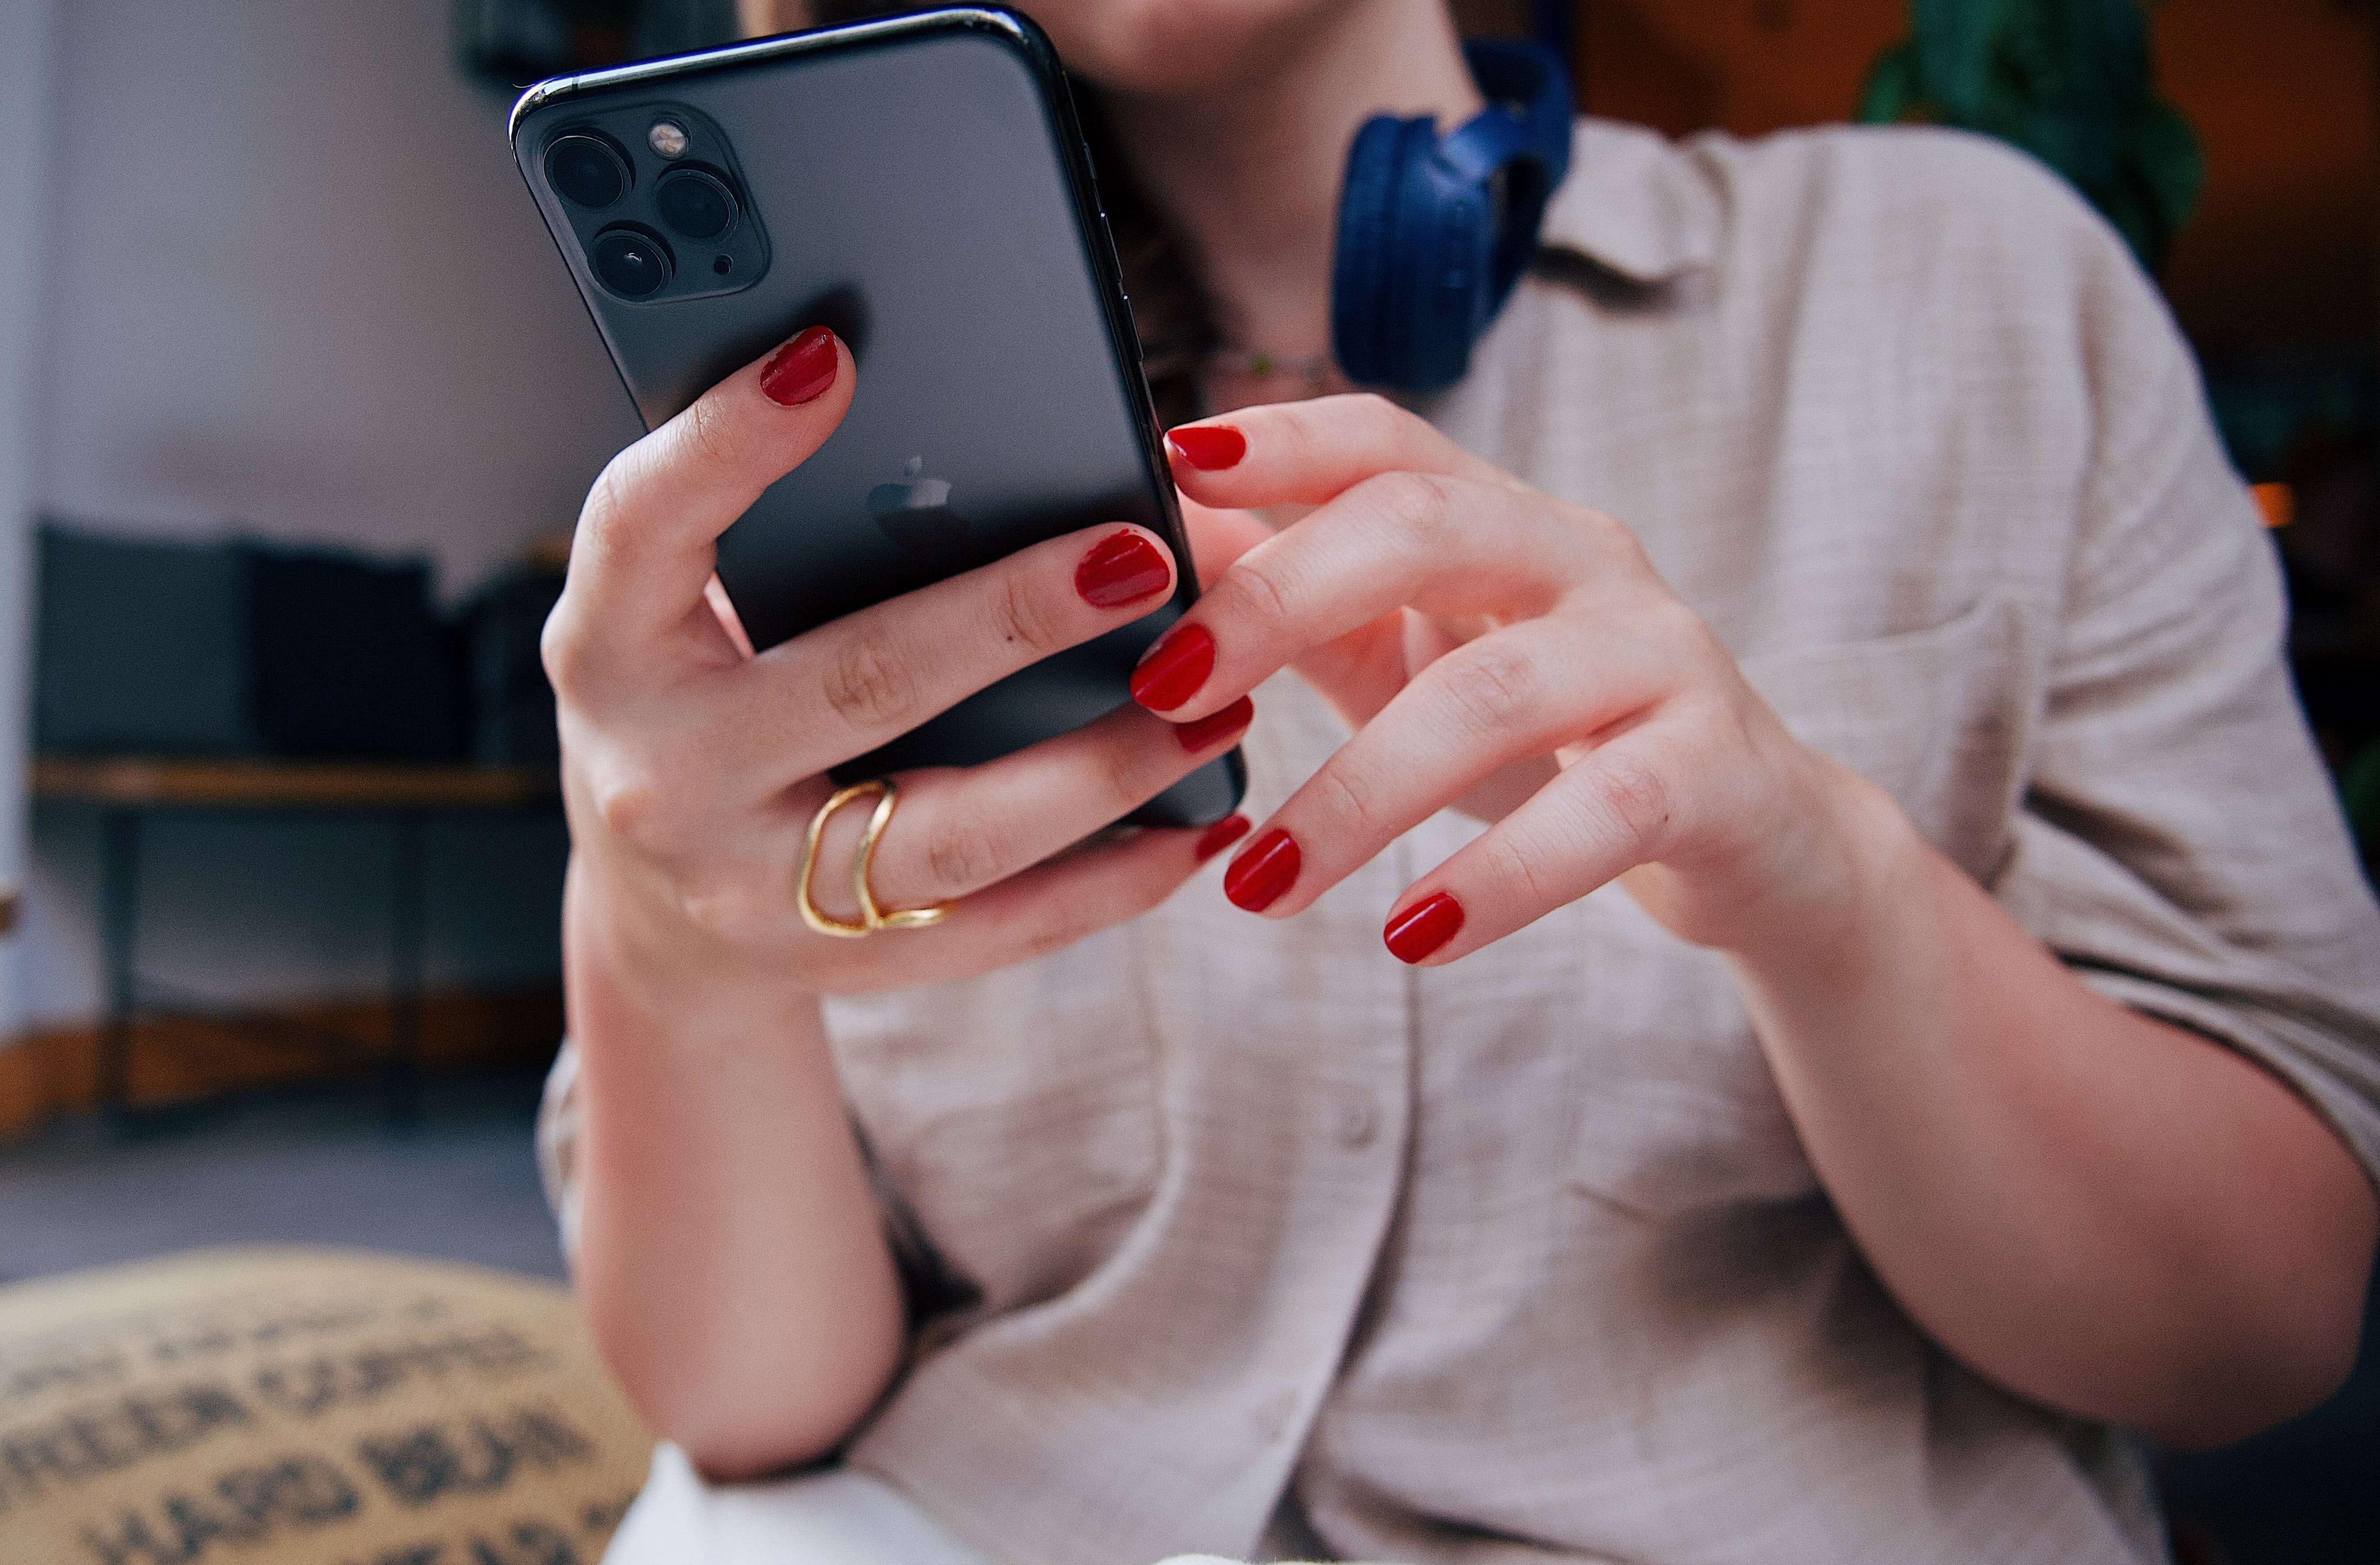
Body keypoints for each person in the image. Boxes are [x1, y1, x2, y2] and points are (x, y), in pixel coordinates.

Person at [534, 2, 2380, 1561]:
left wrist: (1821, 881)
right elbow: (744, 1403)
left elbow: (2256, 1330)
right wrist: (662, 956)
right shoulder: (811, 477)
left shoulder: (1975, 291)